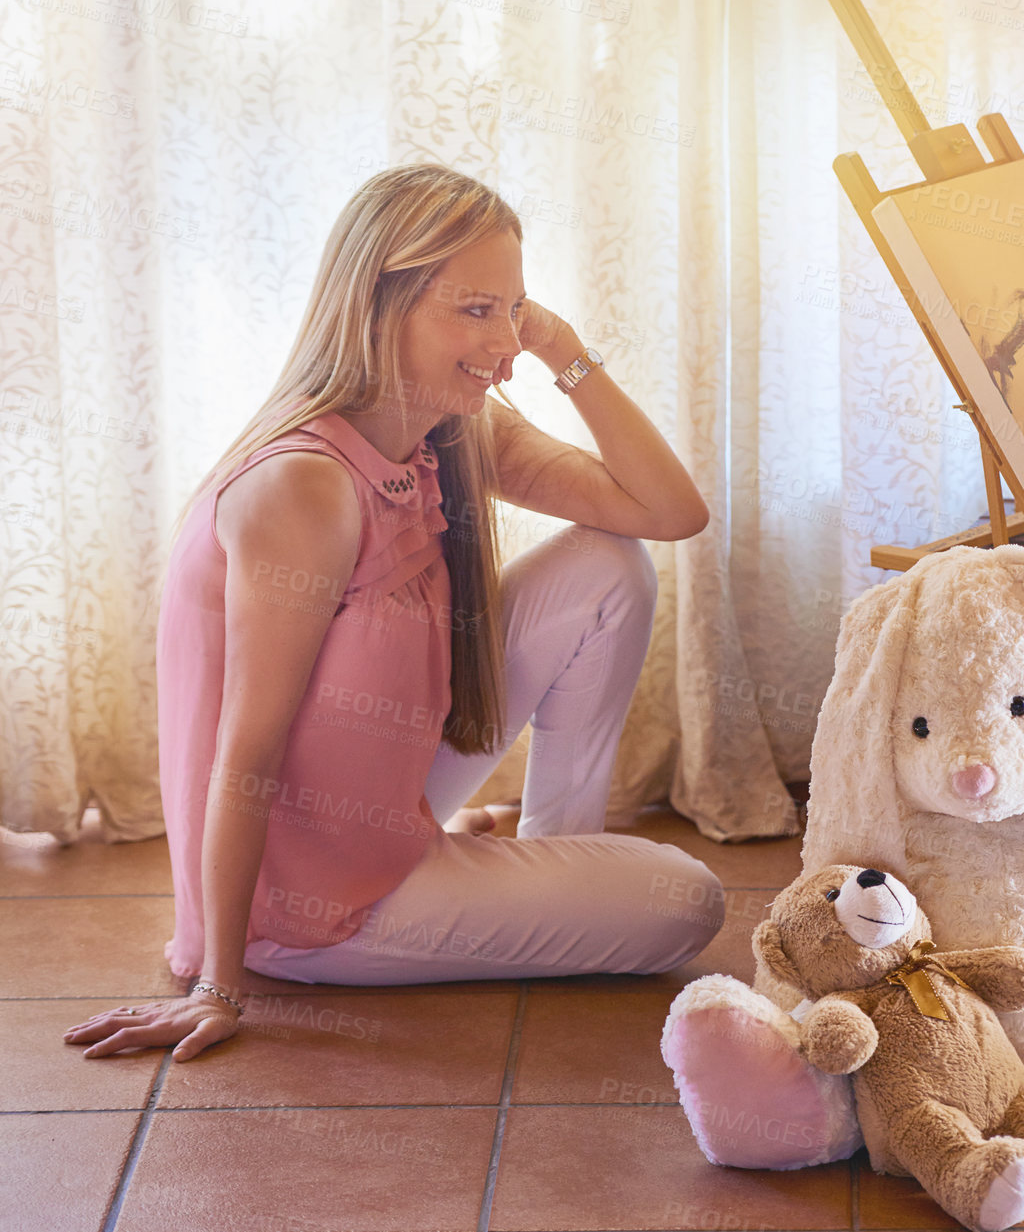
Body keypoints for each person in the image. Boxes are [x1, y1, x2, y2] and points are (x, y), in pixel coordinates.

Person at [64, 164, 723, 1062]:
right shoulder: (306, 486)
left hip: (378, 803)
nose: (504, 346)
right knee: (685, 901)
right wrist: (221, 979)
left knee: (610, 566)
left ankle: (554, 854)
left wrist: (564, 348)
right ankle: (513, 885)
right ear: (382, 305)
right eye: (476, 310)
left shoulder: (448, 430)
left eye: (514, 309)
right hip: (313, 905)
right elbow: (245, 753)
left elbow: (669, 513)